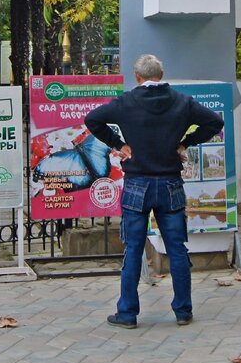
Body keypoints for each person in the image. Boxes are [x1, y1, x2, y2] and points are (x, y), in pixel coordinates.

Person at [84, 54, 224, 329]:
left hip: (137, 183)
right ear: (161, 74)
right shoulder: (182, 101)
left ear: (137, 77)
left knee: (133, 248)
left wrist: (118, 144)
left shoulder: (126, 102)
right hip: (170, 183)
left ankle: (127, 313)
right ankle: (183, 310)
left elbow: (93, 120)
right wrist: (185, 143)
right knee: (177, 248)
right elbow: (213, 122)